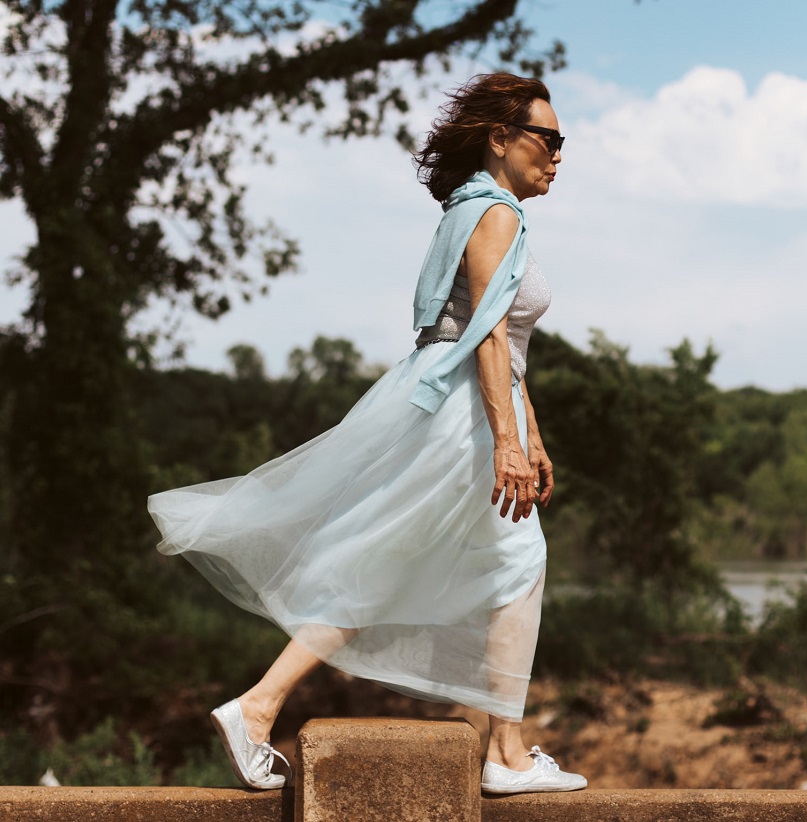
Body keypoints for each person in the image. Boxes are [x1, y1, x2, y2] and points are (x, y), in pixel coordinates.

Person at [148, 72, 586, 796]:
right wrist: (506, 443)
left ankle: (491, 745)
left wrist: (529, 434)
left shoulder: (470, 208)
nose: (559, 154)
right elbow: (484, 340)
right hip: (464, 418)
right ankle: (497, 754)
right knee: (500, 561)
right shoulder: (496, 214)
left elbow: (501, 342)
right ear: (500, 139)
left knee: (428, 561)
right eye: (549, 138)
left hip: (465, 406)